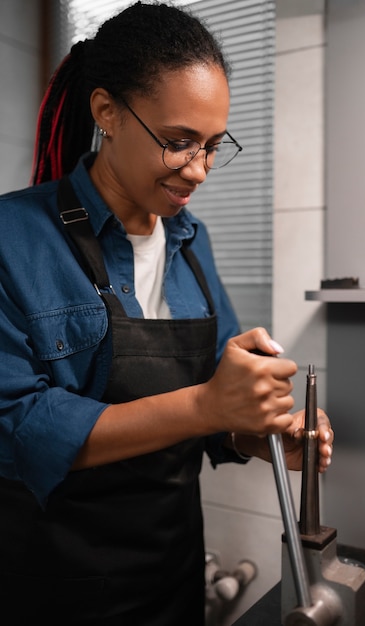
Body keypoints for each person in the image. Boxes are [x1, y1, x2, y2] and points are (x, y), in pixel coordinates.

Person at [0, 2, 333, 625]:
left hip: (172, 570)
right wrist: (208, 405)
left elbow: (214, 403)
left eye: (212, 146)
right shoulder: (12, 237)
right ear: (106, 113)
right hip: (54, 583)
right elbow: (17, 423)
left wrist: (265, 434)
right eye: (178, 143)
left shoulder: (190, 240)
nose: (200, 171)